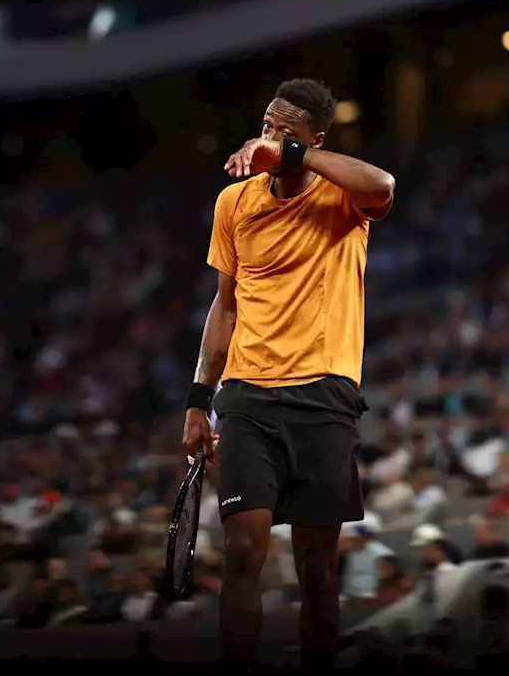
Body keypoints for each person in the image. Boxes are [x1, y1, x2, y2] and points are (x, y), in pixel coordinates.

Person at [180, 78, 395, 672]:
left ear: (314, 140)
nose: (269, 138)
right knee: (244, 551)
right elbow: (224, 306)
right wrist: (200, 399)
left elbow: (384, 186)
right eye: (267, 126)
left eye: (287, 132)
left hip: (325, 394)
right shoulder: (234, 204)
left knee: (317, 569)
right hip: (247, 396)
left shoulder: (342, 197)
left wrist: (293, 156)